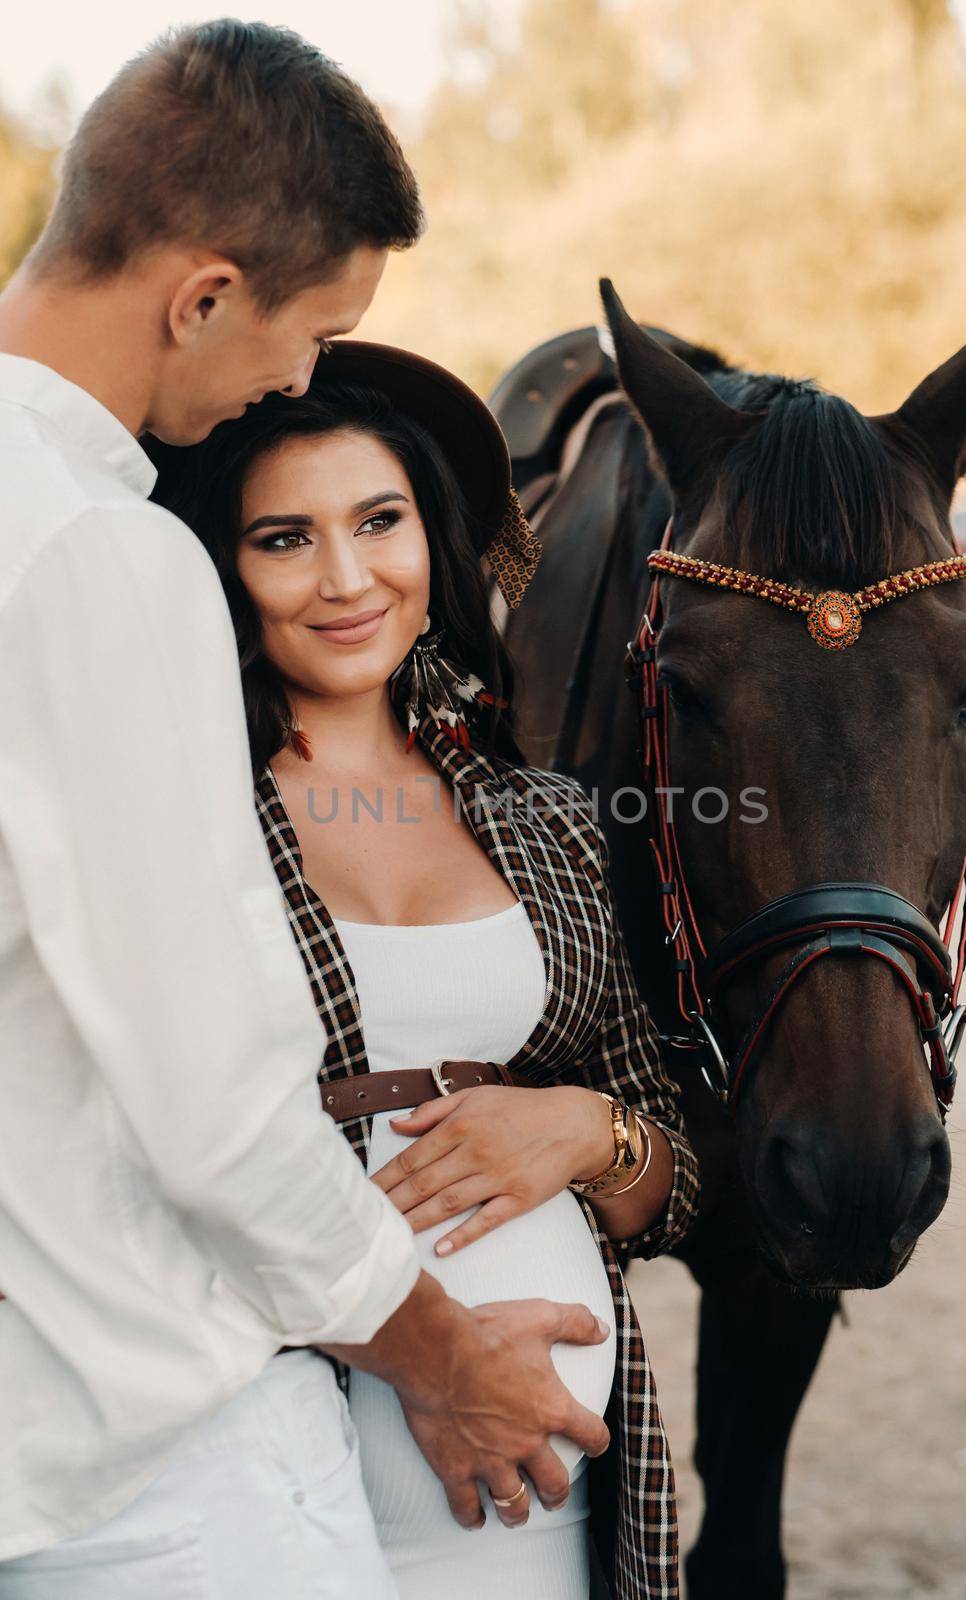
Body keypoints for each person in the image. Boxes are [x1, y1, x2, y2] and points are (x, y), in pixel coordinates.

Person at [0, 21, 613, 1597]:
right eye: (308, 331)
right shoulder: (97, 550)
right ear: (200, 294)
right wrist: (441, 1360)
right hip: (153, 1464)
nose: (298, 375)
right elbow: (209, 1090)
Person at [144, 339, 702, 1600]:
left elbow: (671, 1182)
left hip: (549, 1503)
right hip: (267, 1476)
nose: (345, 579)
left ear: (429, 539)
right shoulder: (175, 821)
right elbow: (139, 1172)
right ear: (219, 568)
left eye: (377, 520)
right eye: (282, 538)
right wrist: (436, 1358)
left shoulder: (542, 818)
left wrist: (586, 1129)